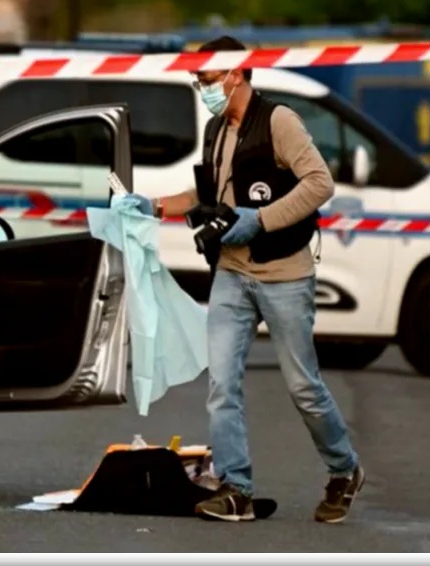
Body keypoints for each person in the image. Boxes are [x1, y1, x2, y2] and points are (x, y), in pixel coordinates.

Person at [145, 36, 364, 524]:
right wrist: (152, 205)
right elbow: (206, 194)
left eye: (204, 78)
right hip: (232, 272)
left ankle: (344, 469)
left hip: (285, 274)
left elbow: (320, 184)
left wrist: (261, 219)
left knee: (303, 386)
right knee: (222, 384)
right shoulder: (216, 130)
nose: (199, 86)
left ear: (235, 74)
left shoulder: (279, 121)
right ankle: (236, 488)